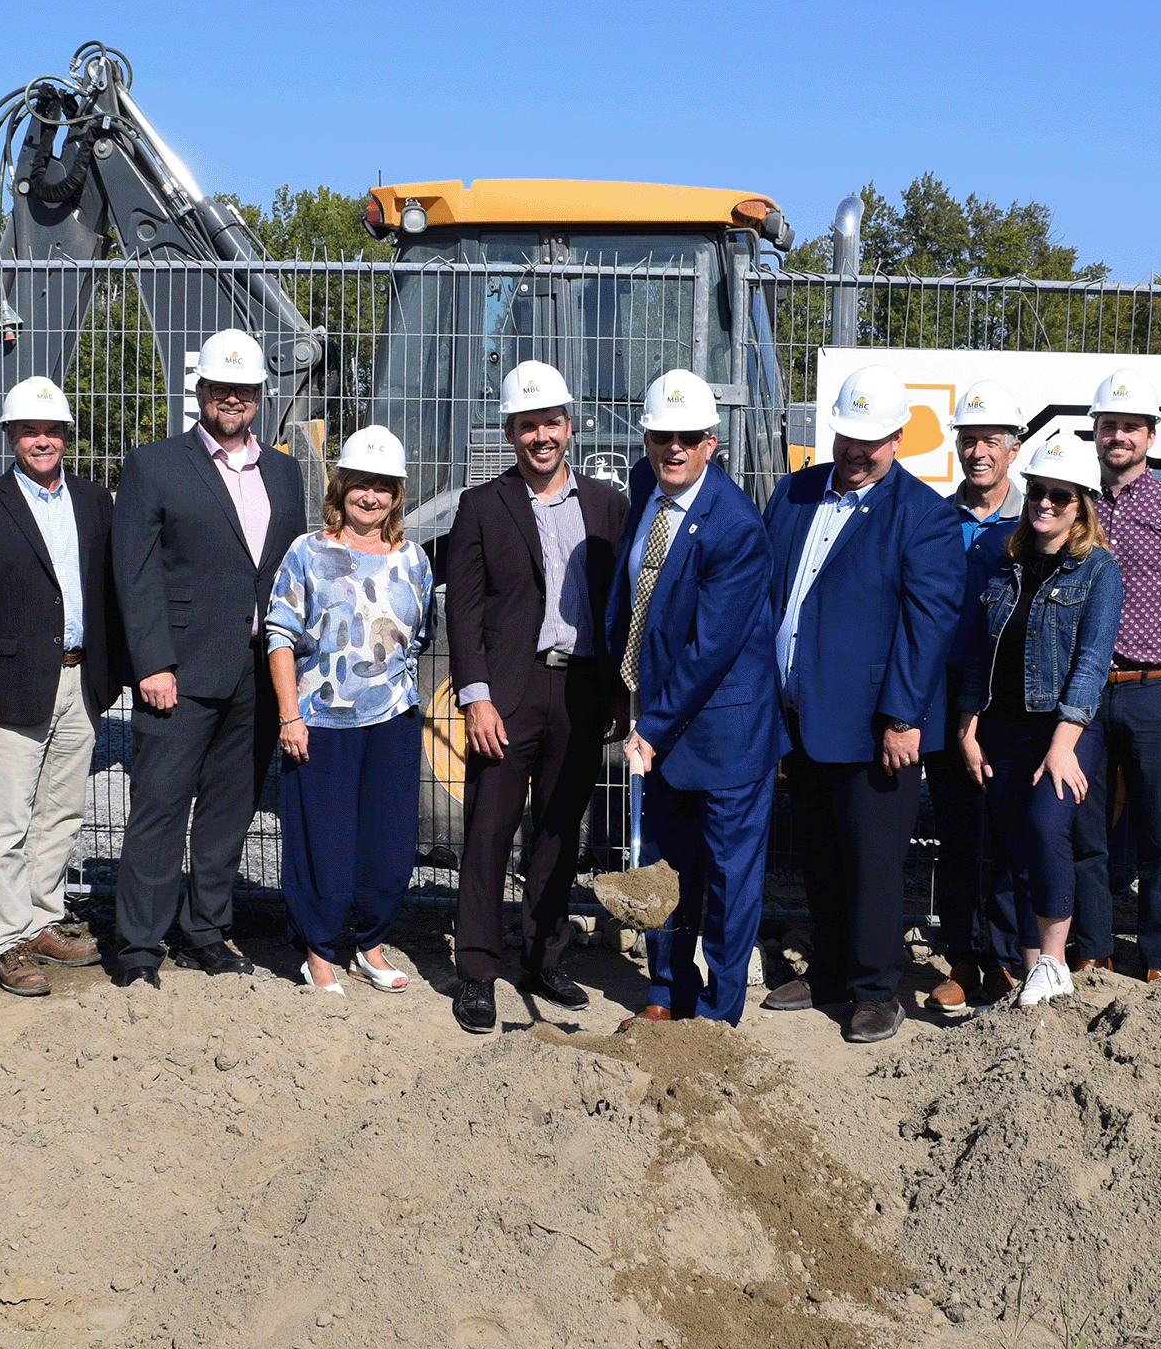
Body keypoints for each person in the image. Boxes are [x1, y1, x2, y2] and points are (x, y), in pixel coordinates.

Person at [760, 365, 962, 1043]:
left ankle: (877, 989)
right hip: (803, 715)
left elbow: (928, 623)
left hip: (878, 724)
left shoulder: (924, 516)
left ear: (899, 438)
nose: (856, 450)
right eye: (847, 434)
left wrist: (903, 715)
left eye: (871, 440)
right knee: (821, 853)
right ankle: (831, 972)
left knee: (874, 859)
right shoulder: (795, 493)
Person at [112, 327, 306, 987]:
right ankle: (139, 945)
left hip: (258, 670)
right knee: (160, 808)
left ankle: (206, 927)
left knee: (230, 810)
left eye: (244, 389)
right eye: (221, 388)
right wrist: (152, 663)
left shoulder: (283, 470)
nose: (232, 398)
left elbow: (287, 570)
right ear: (200, 391)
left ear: (258, 395)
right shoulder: (155, 464)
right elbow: (134, 576)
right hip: (182, 670)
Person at [443, 361, 628, 1034]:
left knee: (557, 831)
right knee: (489, 832)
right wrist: (476, 696)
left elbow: (620, 608)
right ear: (510, 432)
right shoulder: (482, 506)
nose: (541, 436)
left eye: (551, 423)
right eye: (528, 425)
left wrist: (617, 692)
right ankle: (478, 970)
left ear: (570, 427)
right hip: (511, 691)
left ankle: (545, 957)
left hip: (579, 690)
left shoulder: (609, 506)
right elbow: (462, 612)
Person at [605, 369, 782, 1029]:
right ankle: (665, 991)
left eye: (685, 438)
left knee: (729, 880)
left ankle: (716, 1013)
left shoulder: (733, 527)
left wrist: (650, 725)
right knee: (662, 870)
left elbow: (710, 648)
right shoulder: (645, 486)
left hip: (724, 734)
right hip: (663, 724)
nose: (671, 448)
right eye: (659, 436)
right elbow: (633, 601)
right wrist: (626, 691)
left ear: (712, 443)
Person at [0, 376, 123, 999]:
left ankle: (44, 917)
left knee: (62, 810)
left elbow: (110, 589)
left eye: (51, 431)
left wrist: (114, 670)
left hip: (81, 677)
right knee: (8, 815)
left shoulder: (97, 502)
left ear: (66, 436)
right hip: (12, 682)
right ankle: (6, 939)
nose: (40, 440)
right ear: (10, 437)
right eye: (28, 431)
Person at [953, 433, 1122, 1007]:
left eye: (1060, 496)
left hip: (1066, 732)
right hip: (1001, 728)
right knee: (1011, 847)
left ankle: (1054, 961)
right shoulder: (1004, 565)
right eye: (1037, 493)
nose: (1045, 504)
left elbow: (1092, 663)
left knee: (1049, 828)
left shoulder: (1098, 571)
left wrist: (1063, 744)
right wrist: (967, 724)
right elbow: (981, 651)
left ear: (1082, 505)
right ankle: (1034, 981)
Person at [265, 426, 433, 995]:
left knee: (387, 844)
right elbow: (280, 636)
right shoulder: (308, 553)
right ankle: (317, 948)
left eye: (383, 486)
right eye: (360, 485)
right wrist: (290, 716)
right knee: (324, 841)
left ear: (396, 494)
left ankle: (369, 944)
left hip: (393, 721)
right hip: (321, 722)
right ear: (339, 489)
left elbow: (417, 638)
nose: (371, 497)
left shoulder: (414, 559)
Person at [1071, 369, 1161, 982]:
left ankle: (1159, 956)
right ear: (1095, 434)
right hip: (1081, 696)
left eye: (1131, 427)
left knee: (1160, 833)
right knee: (1086, 832)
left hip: (1155, 690)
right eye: (1109, 426)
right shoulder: (1073, 503)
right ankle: (1094, 947)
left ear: (1151, 436)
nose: (1119, 437)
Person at [925, 378, 1027, 1013]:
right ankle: (962, 959)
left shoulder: (1036, 517)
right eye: (969, 439)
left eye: (992, 439)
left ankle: (1007, 959)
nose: (979, 450)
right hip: (946, 695)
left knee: (1012, 834)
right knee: (958, 834)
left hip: (1011, 703)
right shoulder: (934, 519)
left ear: (1014, 448)